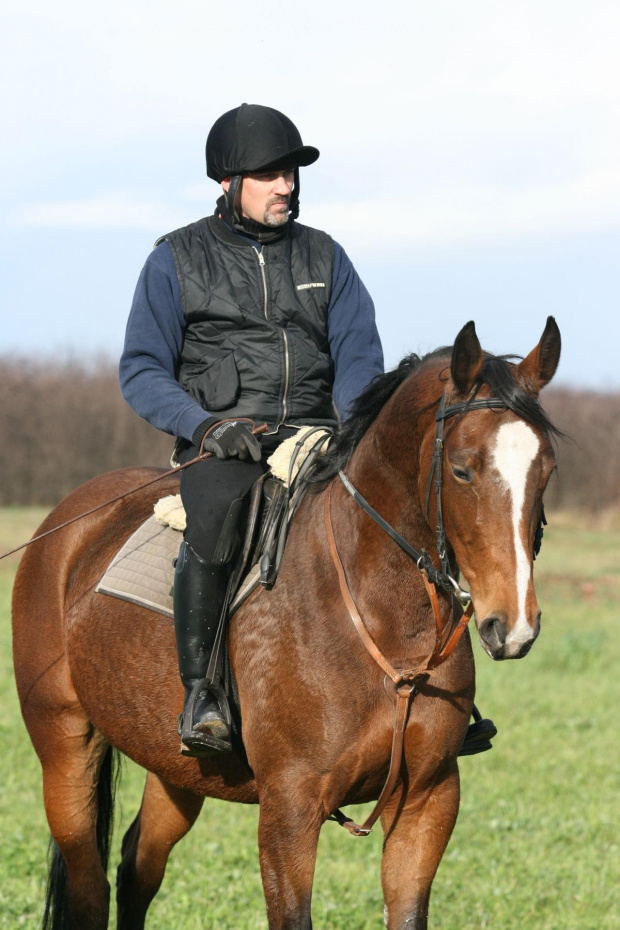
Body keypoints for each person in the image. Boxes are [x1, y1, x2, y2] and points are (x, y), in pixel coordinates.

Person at [120, 104, 385, 756]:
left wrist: (352, 436)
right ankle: (203, 692)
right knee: (217, 506)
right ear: (227, 181)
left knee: (406, 509)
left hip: (321, 439)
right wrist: (206, 428)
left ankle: (442, 696)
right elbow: (143, 369)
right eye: (270, 174)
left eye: (291, 172)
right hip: (225, 443)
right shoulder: (174, 261)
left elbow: (359, 362)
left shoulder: (328, 256)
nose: (287, 186)